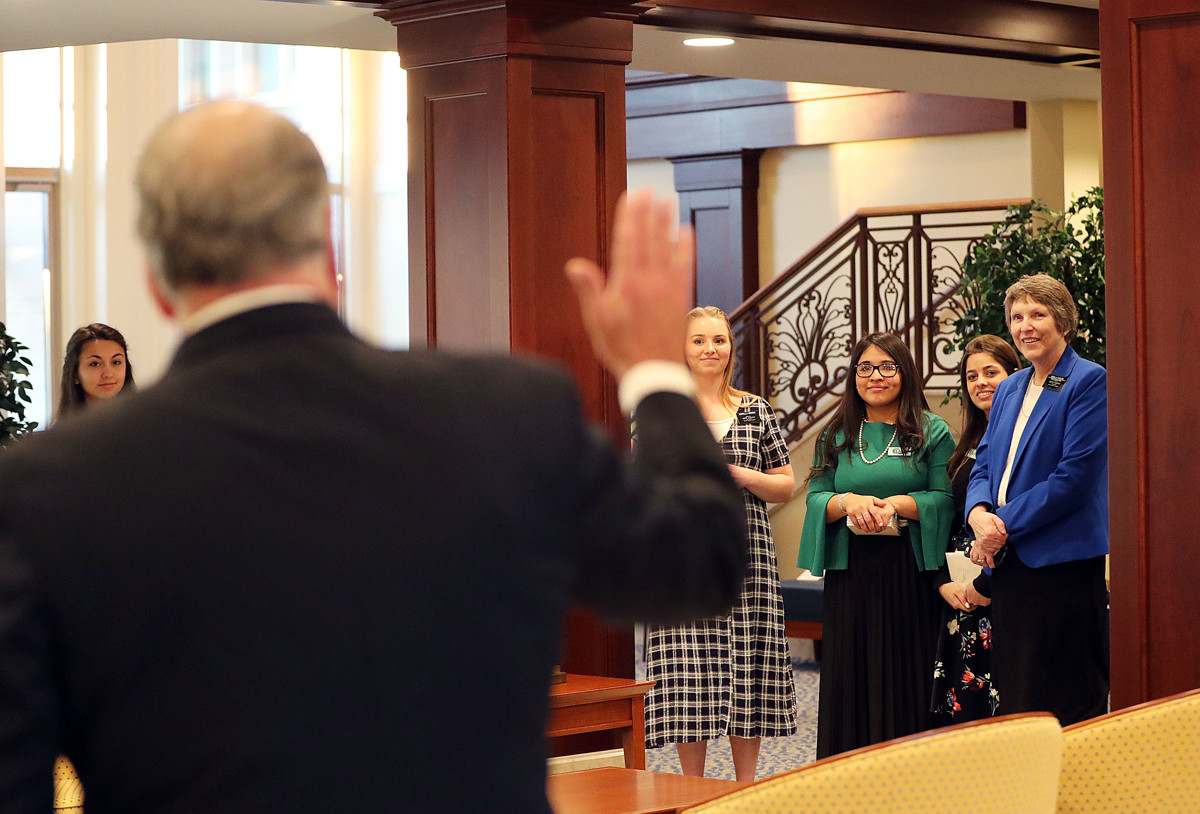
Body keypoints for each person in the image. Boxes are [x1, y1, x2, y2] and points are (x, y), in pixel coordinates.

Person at [0, 101, 748, 814]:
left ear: (158, 285)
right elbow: (698, 562)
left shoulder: (44, 490)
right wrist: (655, 374)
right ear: (329, 245)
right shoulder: (508, 414)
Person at [643, 306, 797, 782]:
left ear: (731, 347)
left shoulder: (756, 410)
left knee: (746, 665)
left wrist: (745, 476)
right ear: (683, 349)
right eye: (698, 340)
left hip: (746, 556)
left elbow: (786, 484)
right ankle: (692, 789)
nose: (710, 349)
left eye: (719, 340)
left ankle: (745, 788)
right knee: (690, 674)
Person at [797, 332, 954, 757]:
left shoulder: (932, 430)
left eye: (888, 367)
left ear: (905, 373)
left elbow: (946, 498)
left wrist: (898, 505)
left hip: (911, 573)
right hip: (853, 575)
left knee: (909, 675)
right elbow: (815, 498)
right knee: (854, 675)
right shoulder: (835, 433)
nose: (876, 376)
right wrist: (848, 502)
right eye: (865, 368)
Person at [965, 274, 1108, 725]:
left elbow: (1073, 479)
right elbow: (984, 464)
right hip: (1011, 566)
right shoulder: (1010, 387)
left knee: (1064, 697)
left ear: (1062, 321)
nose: (1026, 325)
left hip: (1061, 565)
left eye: (1038, 314)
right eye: (1017, 316)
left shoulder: (1088, 380)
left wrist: (998, 526)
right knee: (1019, 695)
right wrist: (978, 514)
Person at [930, 335, 1020, 723]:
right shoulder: (963, 444)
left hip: (1006, 584)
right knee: (966, 711)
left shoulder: (1022, 437)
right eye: (971, 376)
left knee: (1010, 701)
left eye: (991, 372)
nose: (981, 382)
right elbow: (946, 519)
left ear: (1015, 375)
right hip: (961, 595)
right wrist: (942, 583)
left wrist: (985, 585)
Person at [56, 323, 137, 419]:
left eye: (116, 362)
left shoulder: (145, 423)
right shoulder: (64, 431)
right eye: (95, 364)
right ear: (75, 375)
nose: (108, 374)